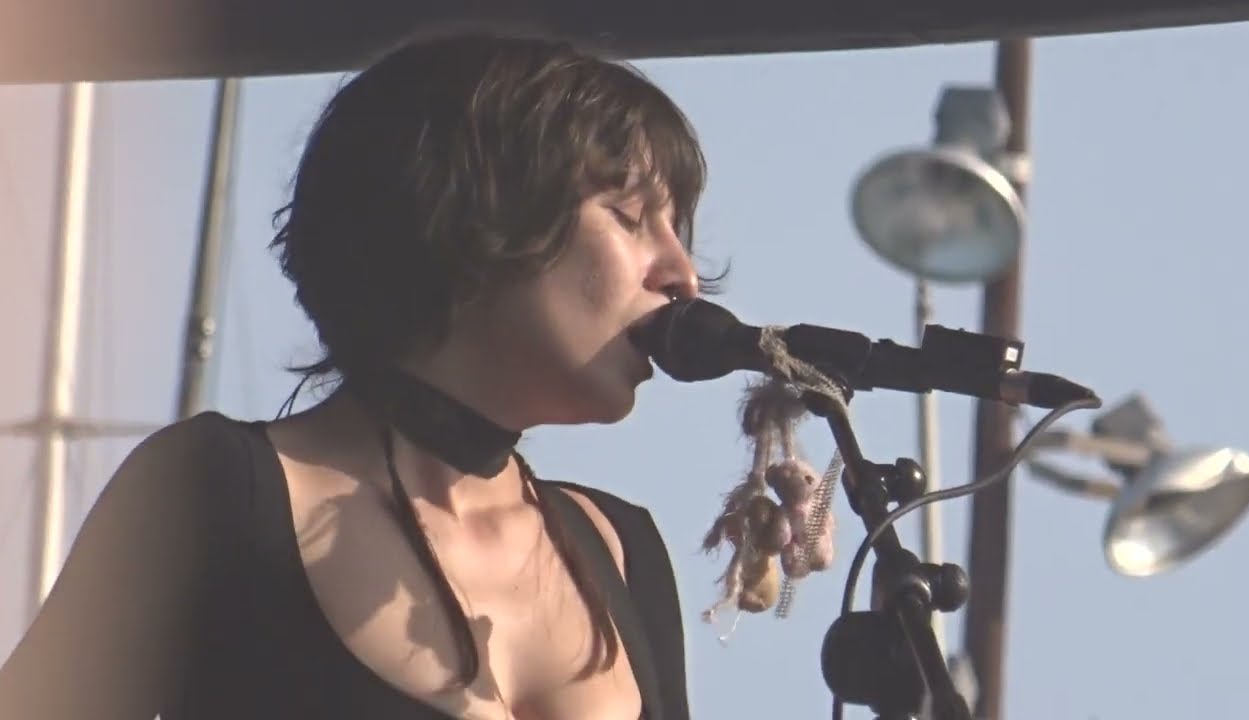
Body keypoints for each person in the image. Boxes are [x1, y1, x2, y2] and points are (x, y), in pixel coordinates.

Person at [0, 30, 723, 720]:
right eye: (630, 216)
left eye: (677, 229)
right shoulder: (216, 491)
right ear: (475, 216)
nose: (682, 275)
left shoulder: (621, 548)